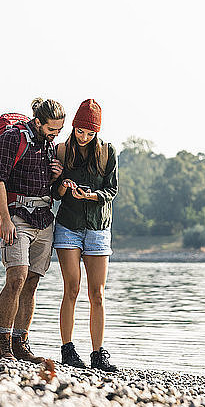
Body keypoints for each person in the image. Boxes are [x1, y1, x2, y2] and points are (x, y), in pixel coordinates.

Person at [0, 98, 65, 362]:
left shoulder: (50, 146)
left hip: (44, 220)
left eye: (59, 130)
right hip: (17, 218)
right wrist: (4, 219)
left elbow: (51, 191)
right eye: (52, 129)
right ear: (38, 122)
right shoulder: (13, 138)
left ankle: (20, 343)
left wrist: (56, 175)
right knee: (16, 279)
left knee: (31, 284)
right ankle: (2, 344)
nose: (56, 134)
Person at [52, 99, 118, 371]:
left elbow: (111, 190)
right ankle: (68, 350)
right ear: (74, 126)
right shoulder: (62, 150)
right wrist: (65, 187)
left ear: (97, 132)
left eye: (90, 133)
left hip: (98, 228)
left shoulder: (107, 152)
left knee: (97, 294)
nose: (84, 137)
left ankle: (98, 354)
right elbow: (54, 191)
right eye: (80, 131)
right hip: (68, 226)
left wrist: (92, 195)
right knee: (72, 288)